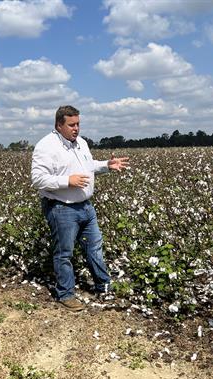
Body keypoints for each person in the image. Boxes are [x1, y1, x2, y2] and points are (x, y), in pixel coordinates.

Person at [31, 105, 129, 312]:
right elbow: (38, 179)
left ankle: (104, 286)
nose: (76, 128)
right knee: (64, 253)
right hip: (61, 208)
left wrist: (106, 166)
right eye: (71, 125)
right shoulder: (46, 146)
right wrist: (68, 181)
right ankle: (65, 294)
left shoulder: (81, 143)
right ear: (59, 125)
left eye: (78, 124)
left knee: (94, 247)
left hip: (85, 206)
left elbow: (88, 165)